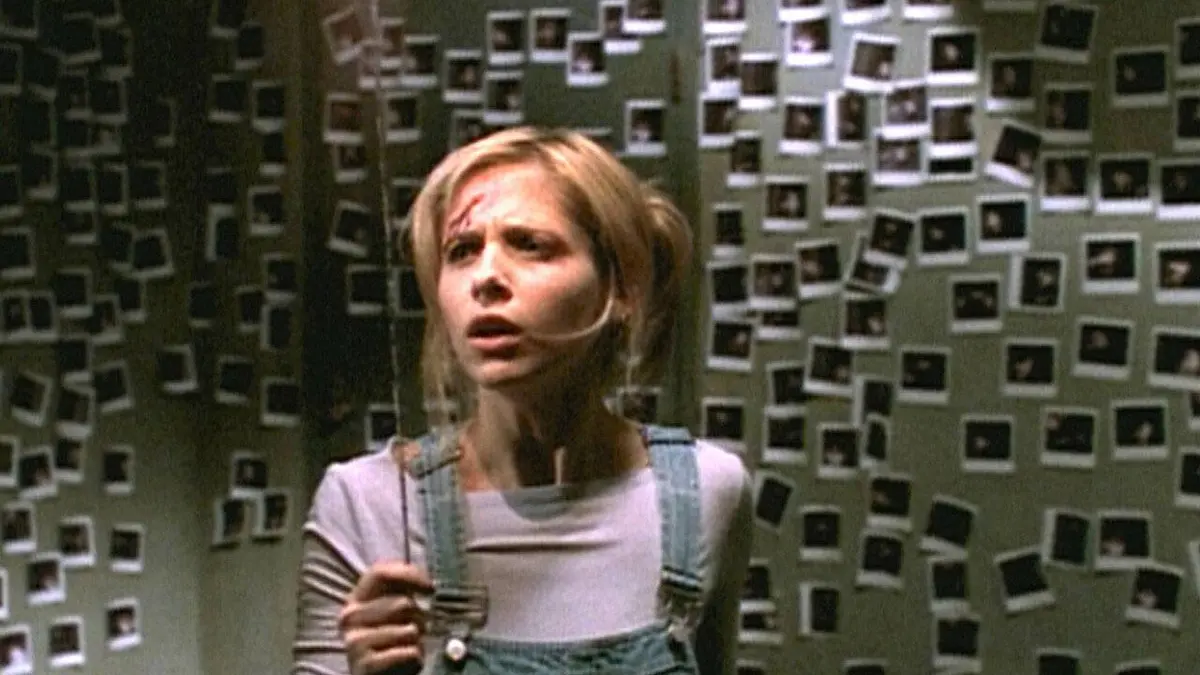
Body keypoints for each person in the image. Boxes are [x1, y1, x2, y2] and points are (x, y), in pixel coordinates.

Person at [293, 127, 754, 675]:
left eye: (530, 244)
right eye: (462, 251)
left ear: (622, 287)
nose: (486, 278)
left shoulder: (707, 491)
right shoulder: (369, 504)